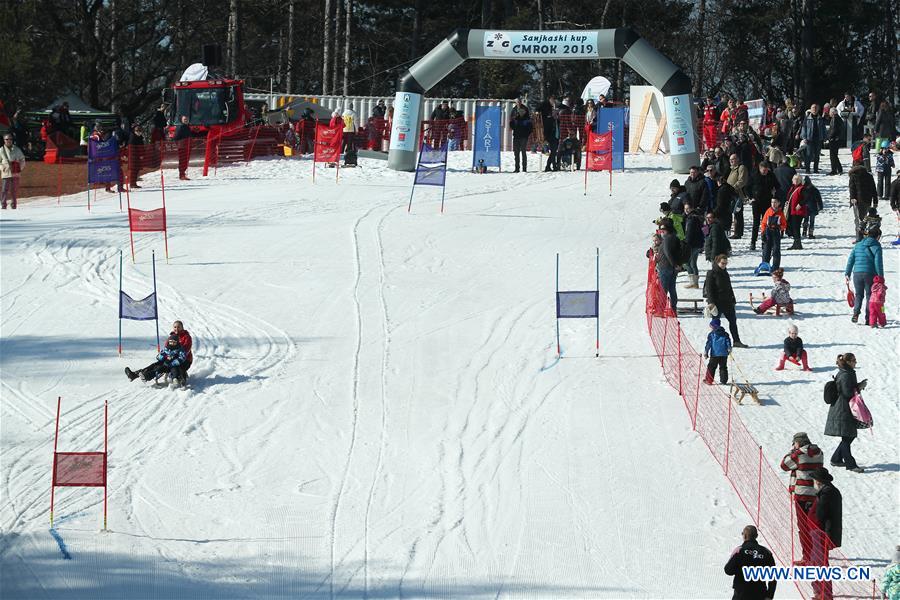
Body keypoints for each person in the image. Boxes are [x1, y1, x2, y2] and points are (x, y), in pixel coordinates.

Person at [780, 432, 823, 562]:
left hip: (802, 495)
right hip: (816, 494)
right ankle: (822, 551)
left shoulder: (798, 455)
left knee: (803, 527)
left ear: (798, 443)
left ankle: (807, 557)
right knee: (816, 525)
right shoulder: (819, 453)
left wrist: (792, 451)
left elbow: (784, 465)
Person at [825, 354, 865, 472]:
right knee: (848, 435)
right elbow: (847, 393)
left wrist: (858, 387)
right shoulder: (846, 374)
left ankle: (836, 459)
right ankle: (851, 464)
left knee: (848, 435)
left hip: (843, 408)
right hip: (842, 409)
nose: (855, 362)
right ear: (847, 362)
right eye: (853, 360)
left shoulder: (846, 372)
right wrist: (859, 387)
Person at [809, 467, 842, 600]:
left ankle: (825, 593)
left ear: (818, 481)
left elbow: (821, 514)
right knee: (817, 561)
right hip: (819, 533)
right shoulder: (827, 491)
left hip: (822, 533)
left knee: (821, 563)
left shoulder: (827, 493)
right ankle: (819, 590)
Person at [703, 254, 747, 347]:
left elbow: (729, 287)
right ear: (717, 262)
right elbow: (709, 289)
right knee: (716, 323)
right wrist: (711, 302)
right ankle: (715, 341)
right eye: (722, 263)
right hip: (717, 303)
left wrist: (733, 299)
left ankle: (736, 341)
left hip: (727, 302)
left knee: (733, 321)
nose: (724, 265)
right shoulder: (711, 273)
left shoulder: (725, 273)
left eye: (726, 263)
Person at [723, 525, 777, 600]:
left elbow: (728, 571)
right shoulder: (766, 553)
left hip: (741, 594)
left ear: (744, 536)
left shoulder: (739, 551)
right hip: (760, 594)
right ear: (756, 536)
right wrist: (769, 596)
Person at [844, 227, 884, 323]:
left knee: (859, 295)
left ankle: (856, 313)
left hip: (857, 273)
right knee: (870, 296)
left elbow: (851, 259)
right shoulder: (877, 246)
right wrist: (881, 277)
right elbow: (878, 262)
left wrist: (847, 273)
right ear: (877, 236)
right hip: (870, 274)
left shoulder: (858, 244)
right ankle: (868, 318)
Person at [749, 161, 778, 252]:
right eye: (763, 170)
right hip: (756, 202)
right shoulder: (754, 174)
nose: (765, 172)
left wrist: (774, 191)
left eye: (766, 170)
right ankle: (753, 242)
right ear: (760, 168)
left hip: (767, 202)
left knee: (766, 223)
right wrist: (750, 197)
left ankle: (765, 242)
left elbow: (777, 185)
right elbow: (747, 187)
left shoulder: (771, 175)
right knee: (756, 223)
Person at [655, 218, 681, 313]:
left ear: (667, 229)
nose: (661, 232)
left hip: (666, 267)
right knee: (672, 289)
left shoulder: (667, 239)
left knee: (663, 290)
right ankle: (673, 309)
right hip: (672, 268)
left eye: (662, 230)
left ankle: (660, 310)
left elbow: (668, 253)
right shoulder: (674, 237)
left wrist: (674, 265)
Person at [848, 162, 878, 239]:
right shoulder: (869, 175)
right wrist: (875, 201)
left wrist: (852, 198)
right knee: (865, 218)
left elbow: (852, 189)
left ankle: (860, 237)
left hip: (857, 200)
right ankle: (866, 234)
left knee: (859, 219)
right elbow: (873, 189)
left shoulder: (853, 176)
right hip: (867, 199)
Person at [759, 198, 787, 270]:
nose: (773, 204)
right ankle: (765, 265)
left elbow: (784, 224)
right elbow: (763, 223)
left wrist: (779, 227)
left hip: (776, 232)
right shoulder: (768, 211)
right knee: (766, 249)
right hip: (768, 231)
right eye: (772, 202)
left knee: (776, 249)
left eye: (775, 202)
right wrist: (762, 232)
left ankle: (775, 266)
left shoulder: (780, 213)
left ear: (778, 203)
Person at [682, 199, 705, 288]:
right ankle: (695, 282)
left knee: (687, 263)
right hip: (697, 243)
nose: (686, 210)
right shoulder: (695, 216)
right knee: (693, 263)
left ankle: (693, 282)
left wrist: (686, 243)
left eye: (688, 208)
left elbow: (689, 233)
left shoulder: (691, 219)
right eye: (685, 209)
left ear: (692, 208)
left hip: (692, 244)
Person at [1, 133, 26, 210]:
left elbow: (22, 160)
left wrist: (19, 168)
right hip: (6, 173)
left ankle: (14, 205)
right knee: (4, 190)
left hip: (15, 173)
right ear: (4, 140)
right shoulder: (1, 150)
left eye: (10, 139)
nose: (9, 140)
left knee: (14, 190)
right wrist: (2, 168)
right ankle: (3, 205)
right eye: (7, 139)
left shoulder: (17, 149)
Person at [703, 318, 732, 385]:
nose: (711, 328)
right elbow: (728, 342)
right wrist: (729, 348)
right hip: (724, 354)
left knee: (711, 367)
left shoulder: (711, 334)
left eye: (712, 326)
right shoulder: (725, 334)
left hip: (715, 354)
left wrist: (706, 351)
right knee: (723, 367)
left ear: (714, 326)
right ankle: (724, 380)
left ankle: (709, 380)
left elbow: (708, 344)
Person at [798, 103, 825, 174]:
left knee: (817, 155)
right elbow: (804, 128)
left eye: (816, 108)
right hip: (809, 139)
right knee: (808, 155)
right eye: (813, 108)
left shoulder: (821, 118)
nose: (814, 109)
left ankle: (815, 169)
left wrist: (824, 137)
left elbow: (823, 129)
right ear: (811, 109)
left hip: (818, 139)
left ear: (818, 109)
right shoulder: (807, 118)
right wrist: (804, 137)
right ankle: (807, 169)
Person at [785, 174, 808, 250]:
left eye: (798, 179)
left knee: (796, 227)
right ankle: (796, 243)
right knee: (794, 227)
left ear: (800, 180)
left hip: (798, 212)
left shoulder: (802, 188)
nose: (796, 180)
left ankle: (797, 244)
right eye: (795, 179)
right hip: (792, 211)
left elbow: (806, 198)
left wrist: (800, 204)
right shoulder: (792, 188)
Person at [538, 95, 559, 171]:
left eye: (556, 113)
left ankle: (553, 166)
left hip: (556, 136)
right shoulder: (549, 120)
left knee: (553, 152)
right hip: (550, 137)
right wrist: (546, 138)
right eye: (554, 112)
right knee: (553, 152)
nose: (555, 114)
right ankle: (548, 166)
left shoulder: (557, 120)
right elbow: (546, 130)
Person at [172, 114, 192, 180]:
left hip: (188, 146)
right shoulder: (180, 127)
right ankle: (181, 175)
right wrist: (178, 144)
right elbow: (175, 137)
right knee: (182, 161)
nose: (186, 120)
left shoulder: (187, 127)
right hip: (182, 147)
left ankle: (183, 174)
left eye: (187, 119)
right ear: (182, 120)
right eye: (185, 119)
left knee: (186, 161)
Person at [826, 108, 844, 175]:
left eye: (830, 112)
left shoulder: (835, 118)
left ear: (833, 113)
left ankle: (834, 170)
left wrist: (829, 137)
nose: (829, 114)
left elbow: (833, 129)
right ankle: (839, 169)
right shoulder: (839, 118)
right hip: (837, 139)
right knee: (835, 155)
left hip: (834, 139)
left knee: (833, 155)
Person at [127, 123, 145, 189]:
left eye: (140, 130)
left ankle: (134, 183)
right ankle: (132, 183)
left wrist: (142, 154)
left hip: (138, 156)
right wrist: (139, 155)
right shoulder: (132, 137)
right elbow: (132, 148)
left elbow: (141, 146)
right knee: (133, 170)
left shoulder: (139, 137)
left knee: (136, 170)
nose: (139, 132)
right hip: (134, 156)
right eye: (137, 130)